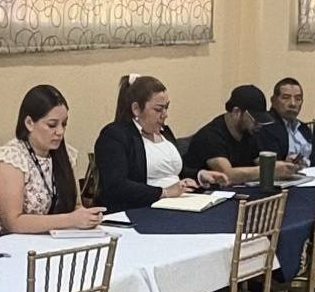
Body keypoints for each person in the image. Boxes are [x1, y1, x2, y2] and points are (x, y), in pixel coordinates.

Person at [93, 75, 226, 211]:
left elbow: (171, 170)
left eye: (166, 108)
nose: (165, 114)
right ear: (136, 109)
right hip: (141, 208)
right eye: (158, 109)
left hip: (179, 203)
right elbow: (117, 186)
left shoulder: (165, 132)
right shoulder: (114, 136)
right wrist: (164, 192)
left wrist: (200, 175)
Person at [0, 84, 108, 234]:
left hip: (54, 238)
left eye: (64, 124)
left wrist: (87, 217)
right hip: (10, 241)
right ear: (29, 123)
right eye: (52, 125)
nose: (60, 132)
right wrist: (70, 220)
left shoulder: (66, 154)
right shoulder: (10, 159)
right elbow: (13, 223)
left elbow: (75, 206)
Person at [186, 85, 297, 184]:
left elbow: (258, 161)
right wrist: (268, 170)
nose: (259, 125)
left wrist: (285, 167)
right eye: (255, 120)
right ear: (236, 112)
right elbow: (227, 176)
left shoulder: (248, 133)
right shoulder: (211, 136)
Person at [259, 77, 315, 165]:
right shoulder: (265, 126)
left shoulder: (303, 128)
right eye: (286, 98)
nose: (293, 104)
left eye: (298, 99)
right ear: (273, 100)